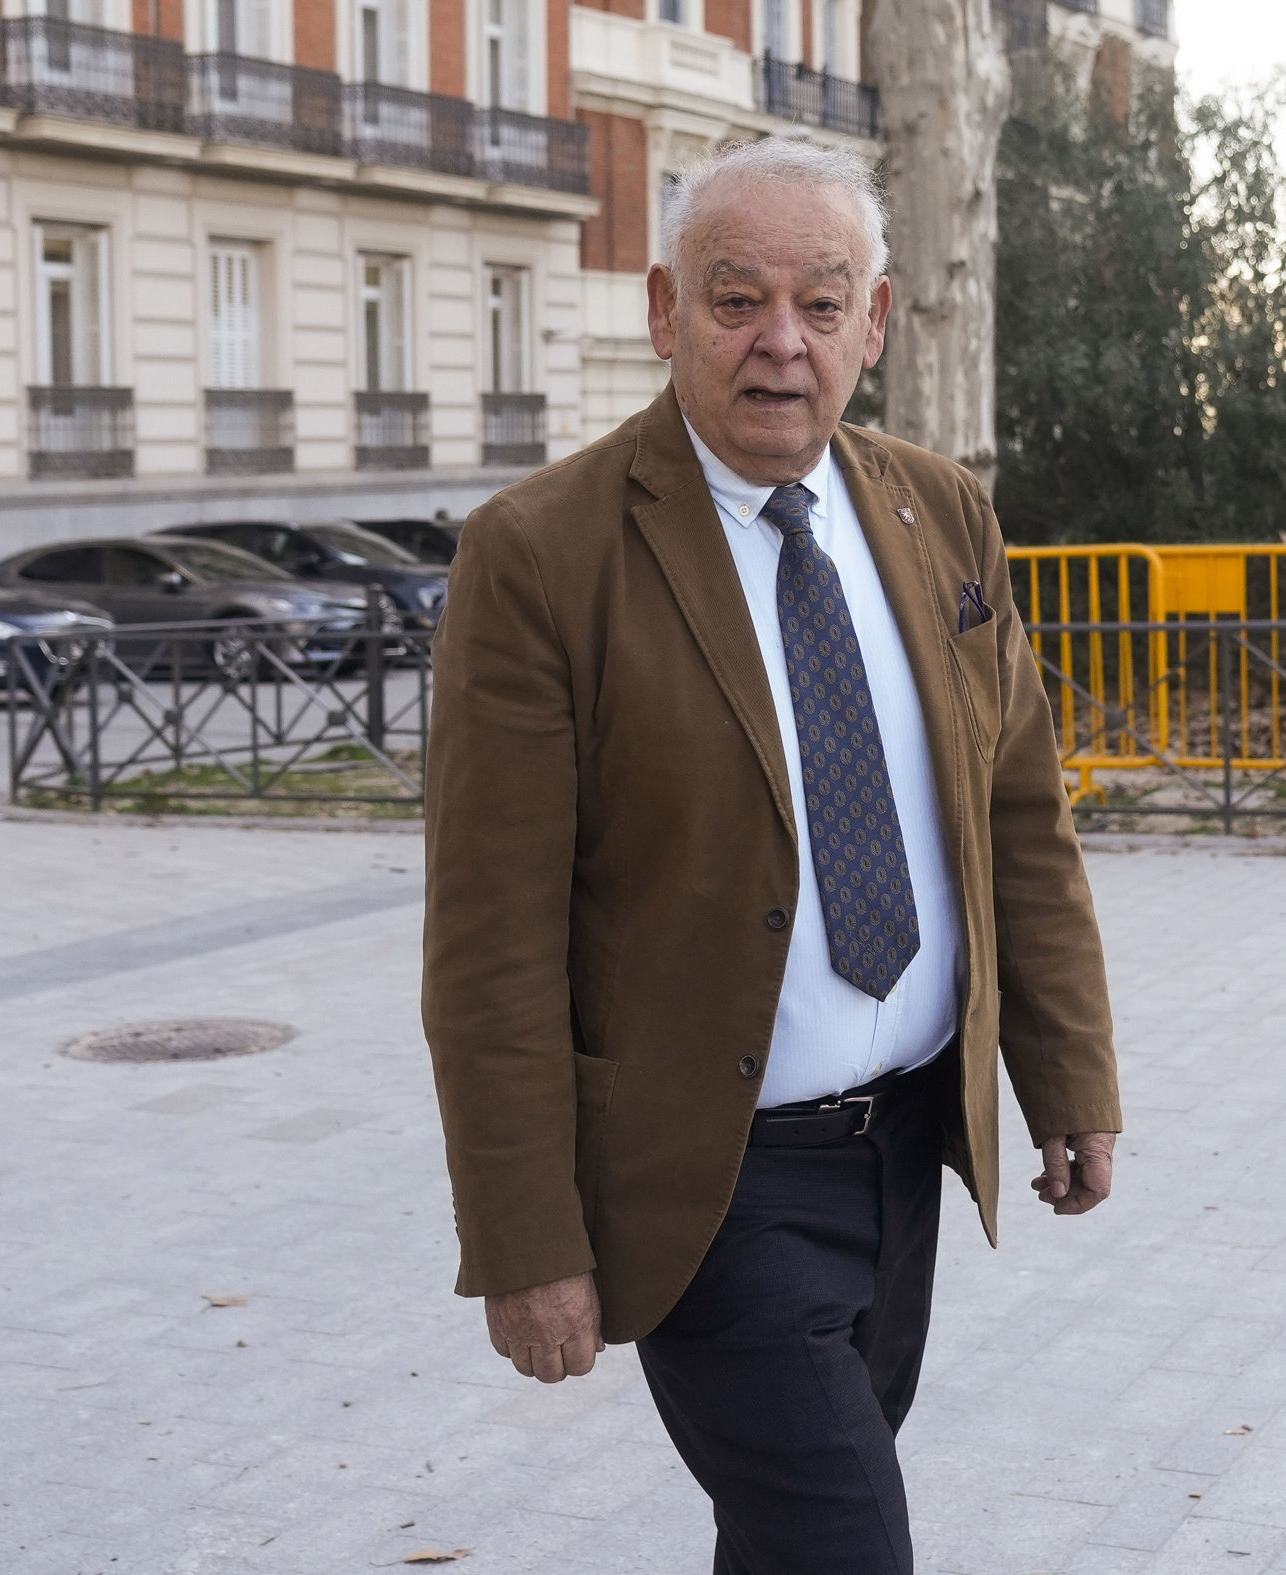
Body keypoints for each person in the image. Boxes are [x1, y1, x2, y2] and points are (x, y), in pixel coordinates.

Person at [423, 138, 1120, 1575]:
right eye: (736, 301)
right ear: (665, 308)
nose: (779, 342)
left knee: (786, 1541)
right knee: (846, 1545)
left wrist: (1067, 1077)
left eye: (820, 302)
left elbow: (1017, 819)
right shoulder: (542, 553)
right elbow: (491, 940)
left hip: (906, 1147)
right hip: (708, 1178)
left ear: (876, 320)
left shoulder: (943, 513)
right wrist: (525, 1236)